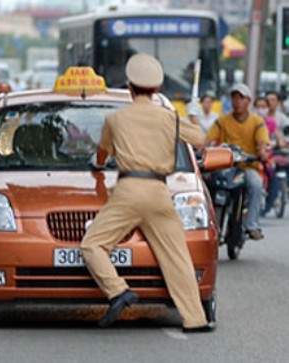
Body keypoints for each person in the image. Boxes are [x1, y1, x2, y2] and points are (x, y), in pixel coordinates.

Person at [81, 54, 213, 333]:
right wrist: (191, 115)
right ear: (156, 90)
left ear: (130, 87)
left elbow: (102, 153)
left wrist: (99, 164)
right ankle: (195, 319)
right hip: (158, 191)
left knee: (92, 245)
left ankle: (118, 291)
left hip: (128, 190)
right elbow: (201, 139)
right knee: (177, 256)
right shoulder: (168, 117)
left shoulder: (115, 118)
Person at [203, 84, 270, 240]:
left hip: (247, 168)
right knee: (206, 183)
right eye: (234, 97)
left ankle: (251, 225)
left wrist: (262, 151)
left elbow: (262, 141)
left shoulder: (257, 122)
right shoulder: (223, 121)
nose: (237, 101)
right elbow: (208, 139)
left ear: (248, 101)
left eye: (241, 98)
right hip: (225, 167)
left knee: (256, 184)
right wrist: (200, 149)